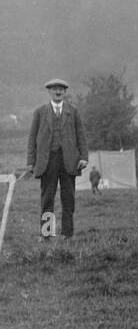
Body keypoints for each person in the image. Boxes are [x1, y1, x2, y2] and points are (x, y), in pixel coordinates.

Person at [26, 77, 88, 240]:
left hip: (69, 161)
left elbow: (81, 136)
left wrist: (83, 157)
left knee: (68, 199)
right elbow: (32, 138)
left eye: (61, 89)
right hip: (47, 161)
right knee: (47, 198)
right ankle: (46, 234)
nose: (58, 91)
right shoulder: (40, 112)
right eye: (54, 89)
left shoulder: (73, 111)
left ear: (65, 92)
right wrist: (31, 162)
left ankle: (67, 234)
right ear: (49, 91)